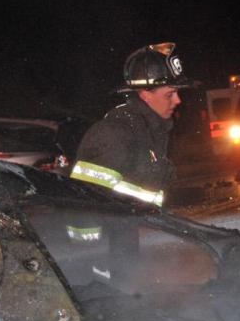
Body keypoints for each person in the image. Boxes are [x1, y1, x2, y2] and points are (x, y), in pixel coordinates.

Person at [72, 42, 195, 207]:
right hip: (112, 232)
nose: (177, 100)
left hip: (134, 230)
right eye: (170, 94)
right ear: (145, 95)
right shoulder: (116, 133)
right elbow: (84, 205)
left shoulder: (149, 131)